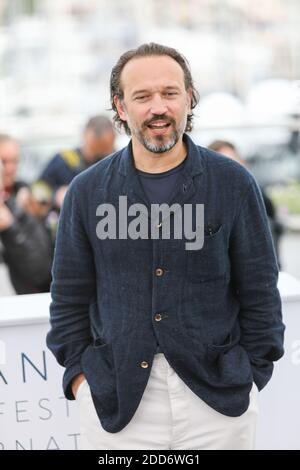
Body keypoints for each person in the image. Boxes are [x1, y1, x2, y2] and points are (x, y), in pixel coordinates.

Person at [46, 43, 285, 450]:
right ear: (120, 107)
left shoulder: (232, 184)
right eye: (142, 96)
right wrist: (81, 378)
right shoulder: (87, 193)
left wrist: (251, 375)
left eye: (170, 93)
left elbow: (260, 290)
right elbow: (68, 297)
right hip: (117, 400)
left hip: (218, 399)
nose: (158, 107)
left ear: (189, 98)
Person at [208, 140, 284, 268]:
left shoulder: (256, 193)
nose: (229, 168)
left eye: (233, 161)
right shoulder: (205, 201)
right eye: (223, 162)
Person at [0, 159, 53, 294]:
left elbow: (41, 272)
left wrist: (11, 230)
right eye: (5, 161)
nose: (10, 168)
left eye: (14, 160)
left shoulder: (17, 211)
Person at [38, 115, 115, 195]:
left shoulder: (117, 164)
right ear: (84, 134)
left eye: (106, 147)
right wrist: (56, 194)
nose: (101, 151)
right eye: (97, 145)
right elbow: (39, 188)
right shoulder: (63, 160)